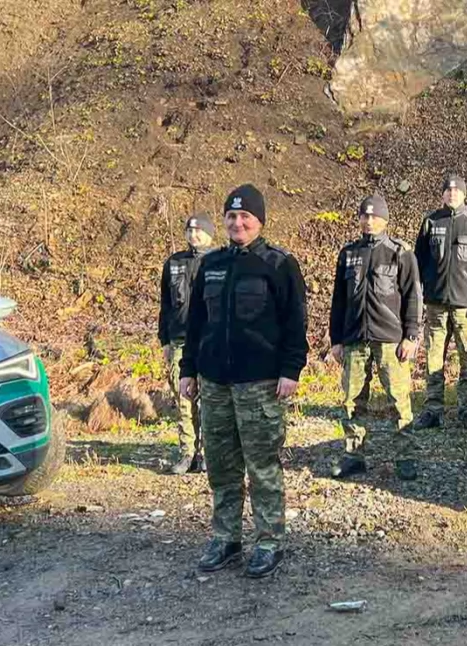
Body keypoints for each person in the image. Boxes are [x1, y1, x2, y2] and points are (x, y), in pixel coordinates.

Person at [180, 184, 307, 579]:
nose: (237, 223)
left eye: (245, 217)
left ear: (259, 221)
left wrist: (291, 370)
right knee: (221, 464)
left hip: (261, 383)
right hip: (215, 381)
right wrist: (188, 369)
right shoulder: (211, 264)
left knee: (262, 465)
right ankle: (226, 538)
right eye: (231, 217)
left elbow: (295, 323)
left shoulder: (279, 264)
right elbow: (195, 322)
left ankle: (269, 542)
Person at [329, 194, 423, 481]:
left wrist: (411, 335)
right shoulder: (349, 254)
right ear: (359, 219)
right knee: (352, 401)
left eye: (375, 216)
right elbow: (339, 300)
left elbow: (413, 296)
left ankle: (406, 458)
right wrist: (336, 340)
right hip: (355, 339)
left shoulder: (400, 252)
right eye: (365, 216)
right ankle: (354, 456)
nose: (369, 221)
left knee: (398, 400)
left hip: (390, 339)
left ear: (385, 220)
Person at [413, 174, 467, 429]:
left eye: (457, 191)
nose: (452, 194)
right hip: (435, 304)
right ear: (442, 194)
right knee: (433, 358)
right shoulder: (430, 222)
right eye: (448, 191)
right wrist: (416, 295)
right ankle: (433, 410)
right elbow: (418, 263)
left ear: (464, 194)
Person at [158, 214, 214, 474]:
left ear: (210, 234)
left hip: (209, 341)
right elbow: (165, 305)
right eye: (189, 231)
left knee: (209, 400)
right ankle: (187, 453)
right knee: (183, 399)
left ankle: (206, 454)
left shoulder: (219, 261)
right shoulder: (174, 263)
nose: (193, 235)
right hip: (179, 339)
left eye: (198, 231)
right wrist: (165, 340)